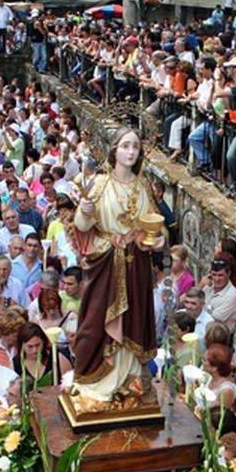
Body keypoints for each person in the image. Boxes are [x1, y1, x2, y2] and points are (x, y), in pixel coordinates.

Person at [72, 128, 162, 403]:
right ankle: (96, 382)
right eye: (125, 146)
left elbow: (153, 225)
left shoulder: (143, 185)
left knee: (134, 318)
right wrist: (85, 212)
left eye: (135, 146)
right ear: (114, 150)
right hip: (105, 263)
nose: (131, 151)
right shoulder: (98, 184)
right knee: (94, 320)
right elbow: (82, 226)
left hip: (136, 264)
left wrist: (156, 240)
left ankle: (128, 378)